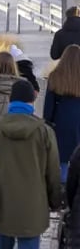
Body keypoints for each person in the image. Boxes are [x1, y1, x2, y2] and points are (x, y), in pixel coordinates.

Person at [0, 80, 61, 249]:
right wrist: (55, 202)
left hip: (2, 208)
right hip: (33, 209)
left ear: (10, 100)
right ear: (32, 101)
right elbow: (52, 172)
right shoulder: (44, 132)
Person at [43, 44, 80, 183]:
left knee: (63, 162)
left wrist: (48, 124)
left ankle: (62, 194)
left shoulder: (55, 77)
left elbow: (48, 110)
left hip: (61, 123)